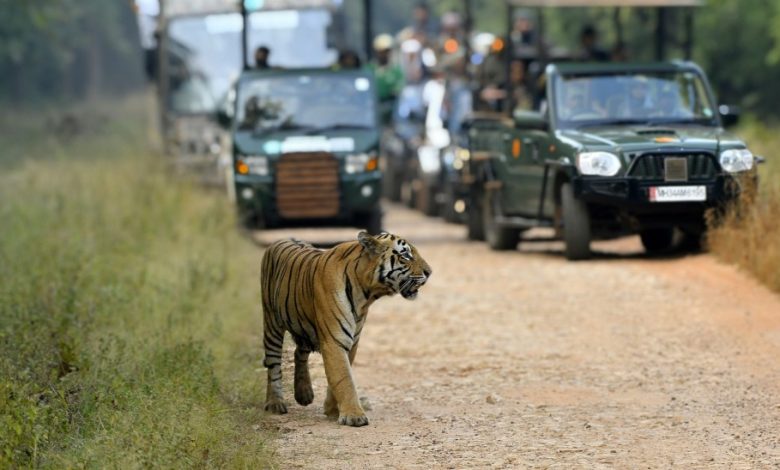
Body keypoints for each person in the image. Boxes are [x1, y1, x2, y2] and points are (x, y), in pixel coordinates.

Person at [369, 35, 404, 103]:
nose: (384, 54)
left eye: (386, 51)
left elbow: (397, 90)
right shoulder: (369, 69)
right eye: (381, 51)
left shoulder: (396, 71)